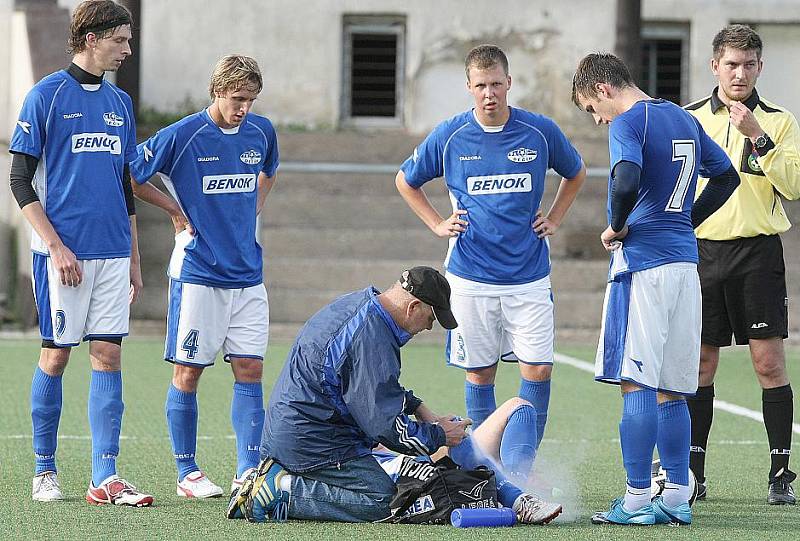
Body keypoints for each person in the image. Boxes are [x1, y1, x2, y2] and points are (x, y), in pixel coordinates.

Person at [395, 45, 587, 460]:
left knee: (537, 369)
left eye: (496, 84)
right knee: (480, 373)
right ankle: (489, 468)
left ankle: (522, 468)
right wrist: (436, 223)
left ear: (509, 83)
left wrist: (554, 217)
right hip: (470, 278)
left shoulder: (539, 131)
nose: (489, 93)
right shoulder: (450, 135)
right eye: (481, 85)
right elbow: (405, 181)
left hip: (530, 276)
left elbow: (575, 172)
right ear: (469, 87)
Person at [571, 52, 739, 525]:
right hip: (686, 265)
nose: (597, 117)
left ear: (603, 88)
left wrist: (616, 225)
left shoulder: (628, 121)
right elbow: (726, 176)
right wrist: (687, 221)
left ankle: (638, 498)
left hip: (643, 264)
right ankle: (678, 496)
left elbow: (625, 178)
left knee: (636, 382)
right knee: (673, 388)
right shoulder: (681, 117)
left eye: (591, 107)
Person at [9, 0, 152, 506]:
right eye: (121, 39)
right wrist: (55, 245)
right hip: (61, 254)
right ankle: (44, 469)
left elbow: (124, 185)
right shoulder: (45, 96)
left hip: (113, 251)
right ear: (92, 38)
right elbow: (19, 180)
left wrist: (134, 259)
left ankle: (103, 476)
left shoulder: (118, 105)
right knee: (55, 356)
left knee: (108, 353)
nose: (127, 48)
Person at [128, 55, 278, 498]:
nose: (244, 108)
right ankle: (187, 473)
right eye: (237, 99)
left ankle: (248, 472)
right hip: (198, 273)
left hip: (248, 274)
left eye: (250, 99)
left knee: (250, 367)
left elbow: (268, 171)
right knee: (188, 371)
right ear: (216, 92)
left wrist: (252, 209)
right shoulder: (184, 133)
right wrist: (174, 209)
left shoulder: (261, 131)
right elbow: (133, 174)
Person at [243, 267, 469, 523]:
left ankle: (276, 478)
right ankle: (282, 490)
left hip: (294, 431)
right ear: (413, 307)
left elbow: (363, 388)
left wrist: (418, 408)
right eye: (431, 318)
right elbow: (385, 427)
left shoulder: (360, 305)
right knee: (383, 500)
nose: (429, 327)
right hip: (313, 443)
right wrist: (440, 435)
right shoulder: (372, 337)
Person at [684, 24, 800, 505]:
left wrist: (758, 137)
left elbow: (793, 186)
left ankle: (780, 475)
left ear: (760, 67)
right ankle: (692, 474)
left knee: (768, 363)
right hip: (702, 253)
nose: (740, 72)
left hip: (758, 253)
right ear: (715, 66)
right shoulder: (688, 119)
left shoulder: (779, 120)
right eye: (731, 63)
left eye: (749, 64)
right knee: (700, 365)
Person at [372, 397, 563, 525]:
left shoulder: (367, 385)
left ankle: (515, 480)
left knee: (520, 407)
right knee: (453, 435)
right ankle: (516, 498)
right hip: (415, 474)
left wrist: (432, 420)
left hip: (426, 456)